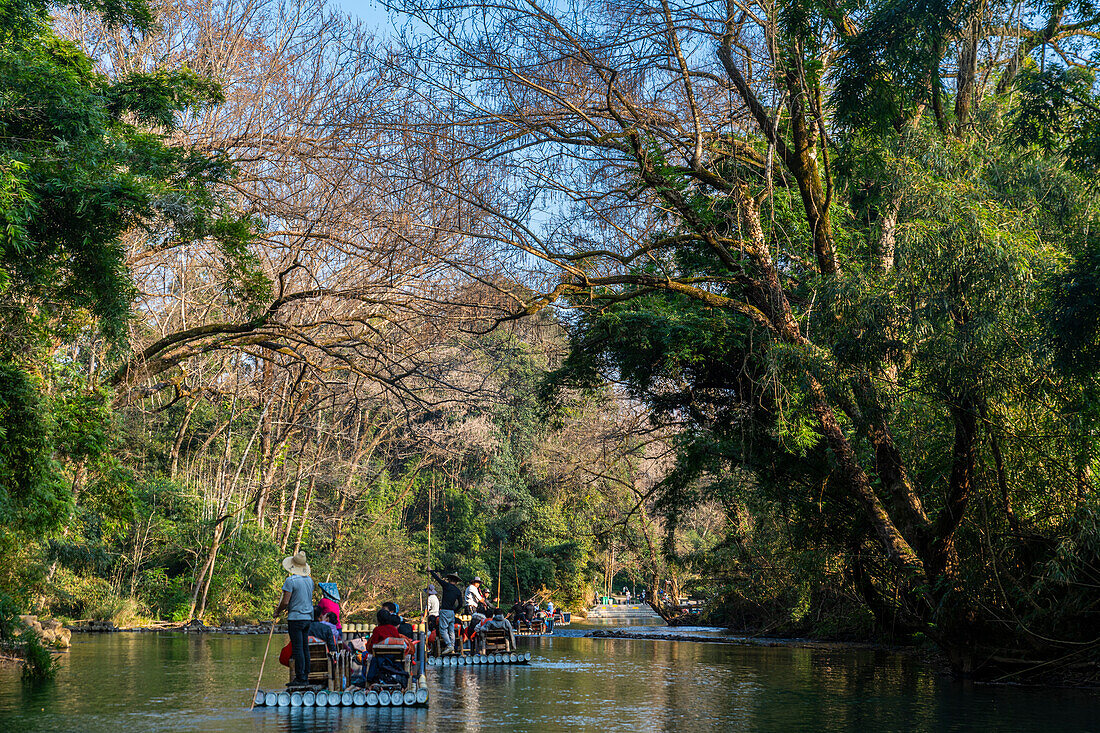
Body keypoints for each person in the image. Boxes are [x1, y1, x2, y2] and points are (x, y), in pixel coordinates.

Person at [274, 551, 314, 687]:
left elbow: (285, 602)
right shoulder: (310, 580)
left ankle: (301, 677)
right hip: (308, 618)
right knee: (304, 647)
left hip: (296, 618)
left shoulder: (290, 581)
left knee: (298, 648)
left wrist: (277, 612)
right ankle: (306, 675)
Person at [428, 568, 464, 654]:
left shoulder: (446, 585)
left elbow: (437, 579)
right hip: (451, 612)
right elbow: (461, 604)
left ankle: (449, 645)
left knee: (443, 630)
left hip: (444, 611)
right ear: (456, 581)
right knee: (451, 629)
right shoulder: (458, 591)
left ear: (450, 580)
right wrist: (455, 610)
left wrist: (431, 571)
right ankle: (452, 645)